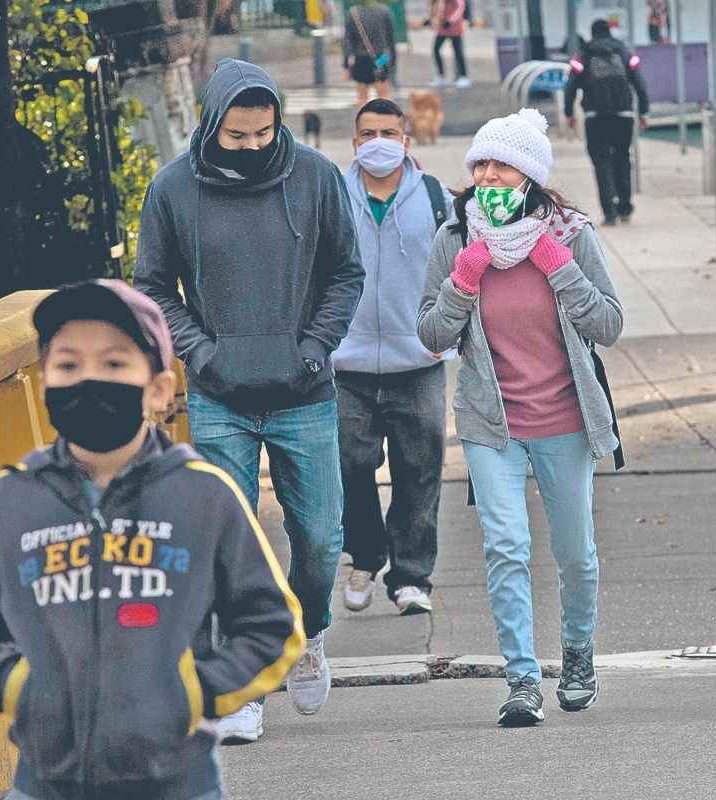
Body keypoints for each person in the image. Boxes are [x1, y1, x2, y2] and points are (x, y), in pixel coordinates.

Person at [0, 280, 305, 800]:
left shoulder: (203, 495)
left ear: (157, 389)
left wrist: (195, 694)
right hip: (44, 784)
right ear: (43, 386)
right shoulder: (13, 500)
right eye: (68, 366)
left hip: (178, 784)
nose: (90, 379)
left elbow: (273, 626)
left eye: (115, 364)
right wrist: (18, 688)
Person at [134, 58, 365, 741]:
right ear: (212, 125)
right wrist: (201, 352)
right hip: (217, 397)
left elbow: (346, 272)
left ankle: (311, 632)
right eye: (237, 136)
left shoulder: (317, 177)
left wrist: (315, 347)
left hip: (304, 391)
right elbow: (152, 286)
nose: (254, 145)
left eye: (264, 133)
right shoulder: (173, 188)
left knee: (321, 539)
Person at [417, 108, 623, 726]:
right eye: (479, 164)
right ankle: (522, 679)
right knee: (506, 546)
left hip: (565, 418)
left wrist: (564, 272)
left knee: (576, 554)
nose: (487, 175)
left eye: (499, 165)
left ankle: (579, 653)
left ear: (527, 175)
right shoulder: (455, 237)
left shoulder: (571, 234)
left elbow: (608, 324)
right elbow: (430, 333)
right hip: (490, 423)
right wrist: (461, 283)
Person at [335, 98, 455, 616]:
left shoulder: (435, 198)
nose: (378, 141)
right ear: (354, 141)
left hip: (419, 361)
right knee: (346, 465)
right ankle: (366, 551)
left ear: (406, 141)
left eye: (389, 131)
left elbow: (461, 269)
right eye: (368, 133)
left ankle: (411, 577)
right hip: (346, 364)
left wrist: (450, 331)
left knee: (420, 470)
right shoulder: (331, 196)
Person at [565, 20, 650, 226]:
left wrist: (569, 113)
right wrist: (643, 112)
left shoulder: (582, 56)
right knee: (622, 157)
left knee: (601, 161)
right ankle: (625, 207)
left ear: (592, 34)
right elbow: (640, 84)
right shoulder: (625, 53)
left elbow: (570, 87)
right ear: (610, 32)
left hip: (596, 116)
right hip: (623, 115)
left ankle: (609, 212)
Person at [343, 0, 395, 108]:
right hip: (382, 58)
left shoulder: (353, 13)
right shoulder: (385, 12)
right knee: (384, 95)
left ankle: (364, 123)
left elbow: (348, 42)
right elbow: (391, 41)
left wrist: (346, 65)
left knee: (362, 98)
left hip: (360, 60)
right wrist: (392, 62)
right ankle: (385, 122)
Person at [428, 0, 469, 89]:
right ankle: (441, 75)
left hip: (454, 26)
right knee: (436, 49)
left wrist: (451, 20)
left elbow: (460, 7)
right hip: (443, 25)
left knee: (458, 51)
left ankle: (463, 76)